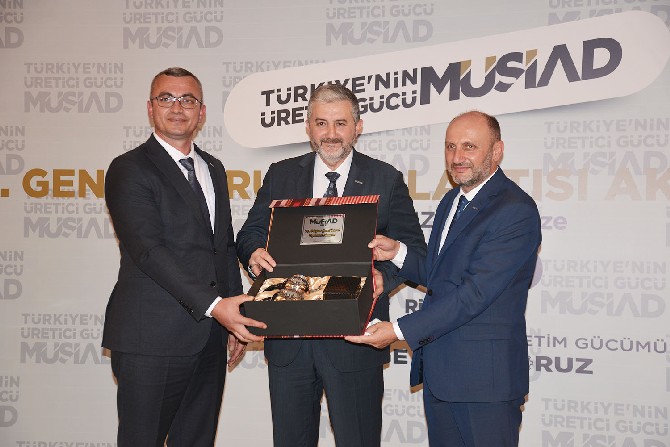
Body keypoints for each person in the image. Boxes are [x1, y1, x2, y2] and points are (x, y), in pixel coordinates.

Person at [236, 83, 426, 447]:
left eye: (341, 123)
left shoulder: (385, 179)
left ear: (358, 127)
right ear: (308, 127)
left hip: (355, 340)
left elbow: (412, 249)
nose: (331, 134)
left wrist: (384, 278)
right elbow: (250, 233)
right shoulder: (280, 174)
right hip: (289, 340)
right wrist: (253, 252)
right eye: (321, 123)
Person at [346, 111, 541, 447]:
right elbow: (443, 277)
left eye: (469, 147)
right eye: (450, 146)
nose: (457, 157)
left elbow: (475, 293)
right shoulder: (452, 200)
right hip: (441, 375)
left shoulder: (515, 210)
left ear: (497, 151)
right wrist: (398, 253)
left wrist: (397, 331)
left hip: (485, 384)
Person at [103, 67, 266, 447]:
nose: (177, 108)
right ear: (150, 108)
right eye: (166, 98)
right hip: (151, 340)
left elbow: (222, 247)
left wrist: (235, 316)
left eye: (188, 100)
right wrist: (217, 307)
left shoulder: (213, 168)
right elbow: (148, 251)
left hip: (209, 338)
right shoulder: (129, 168)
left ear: (202, 112)